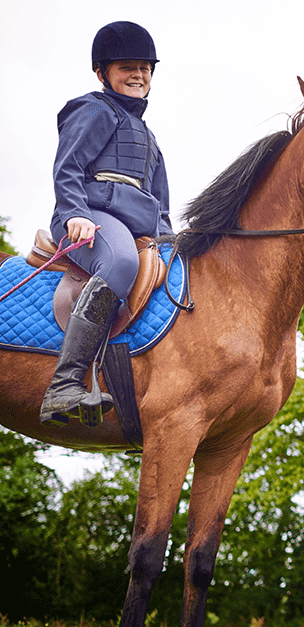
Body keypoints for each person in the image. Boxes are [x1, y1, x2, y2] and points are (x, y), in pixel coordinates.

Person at [40, 21, 173, 427]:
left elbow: (161, 204)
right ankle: (62, 386)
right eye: (126, 67)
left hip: (136, 224)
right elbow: (68, 167)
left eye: (144, 68)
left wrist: (170, 241)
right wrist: (75, 213)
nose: (138, 75)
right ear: (103, 73)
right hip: (89, 218)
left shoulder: (149, 138)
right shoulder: (93, 109)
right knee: (120, 263)